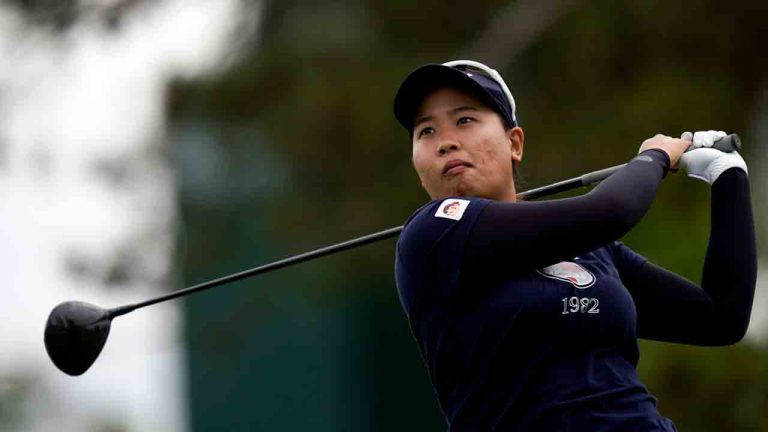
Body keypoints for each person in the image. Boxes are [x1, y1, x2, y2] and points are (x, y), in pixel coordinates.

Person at [392, 60, 756, 431]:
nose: (446, 142)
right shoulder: (432, 234)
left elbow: (721, 318)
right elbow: (611, 211)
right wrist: (655, 156)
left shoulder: (592, 250)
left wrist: (727, 176)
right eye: (426, 131)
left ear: (514, 143)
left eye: (465, 120)